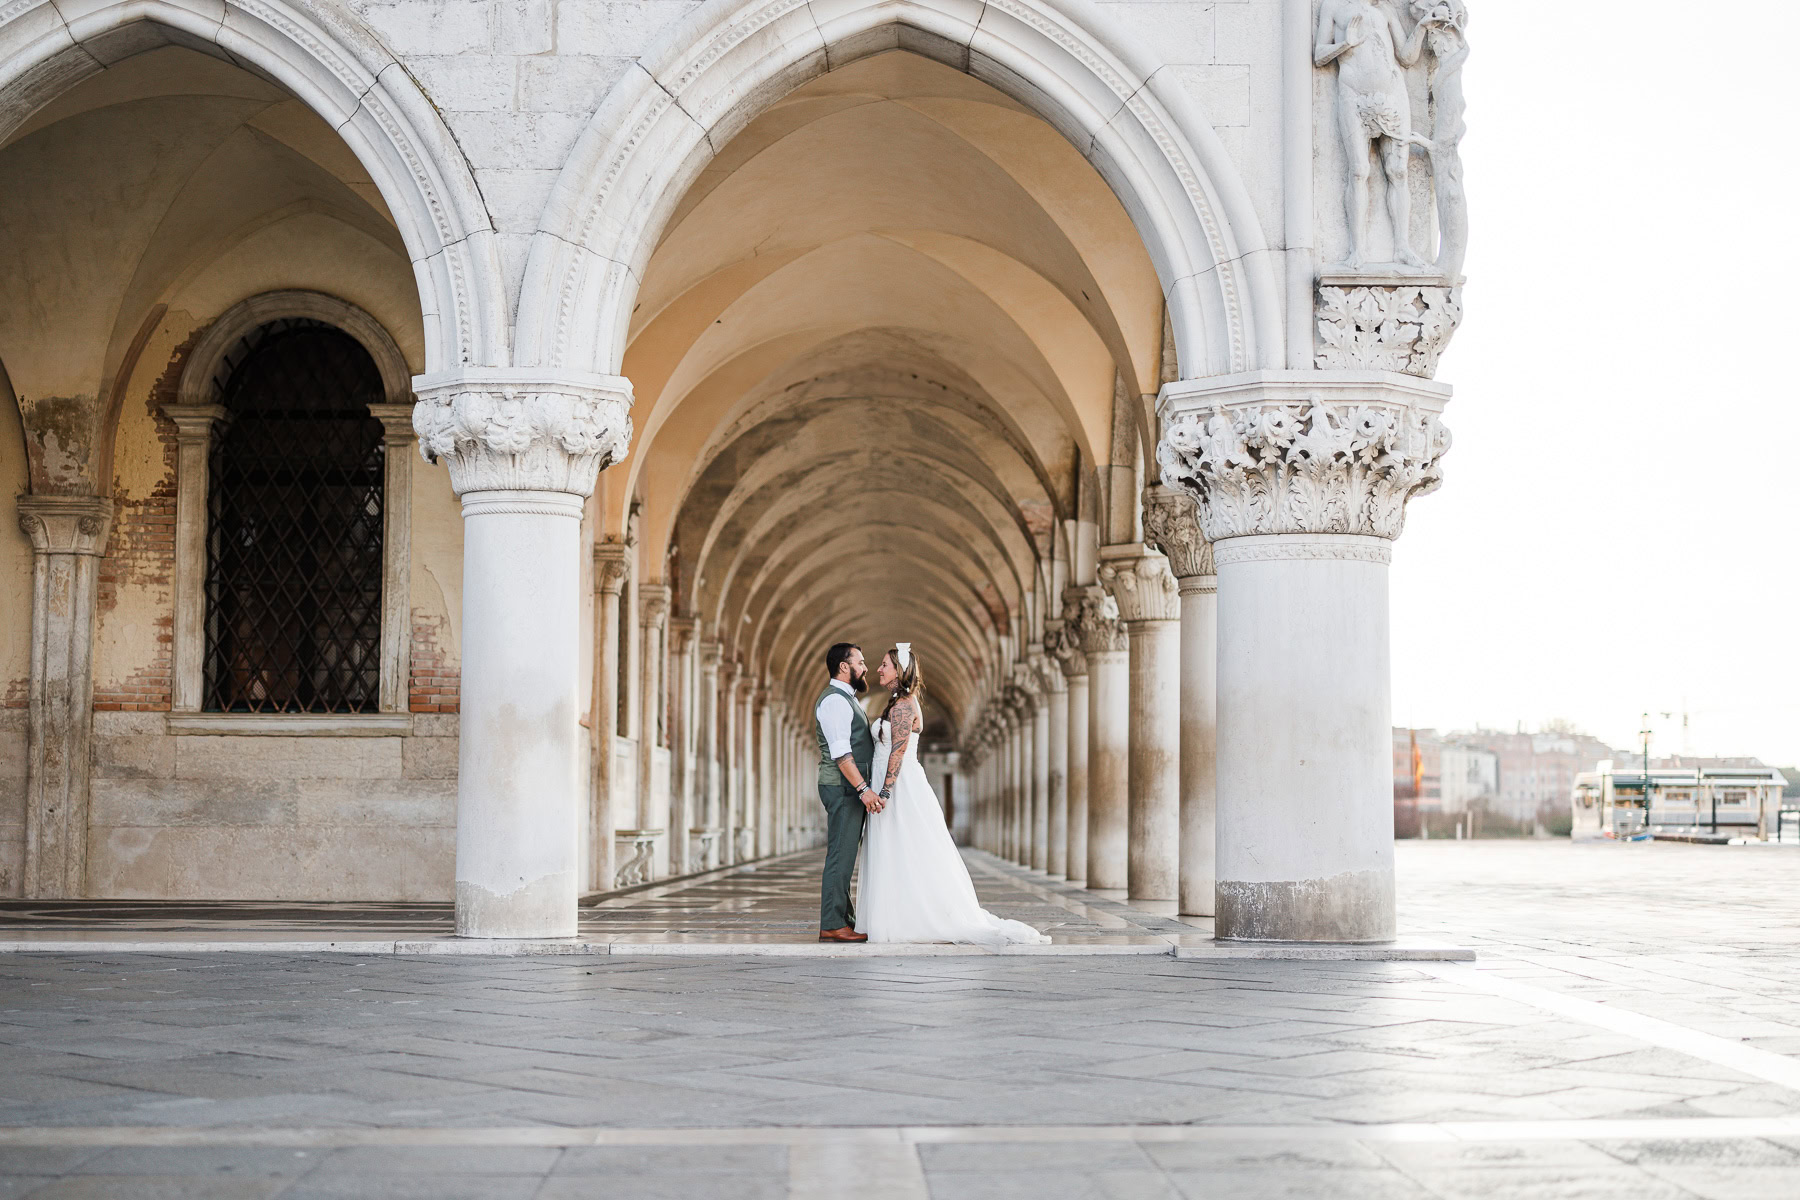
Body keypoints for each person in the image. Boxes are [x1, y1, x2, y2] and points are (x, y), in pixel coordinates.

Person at [858, 644, 1047, 947]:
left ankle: (912, 917)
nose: (879, 669)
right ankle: (894, 915)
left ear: (900, 670)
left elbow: (898, 751)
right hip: (891, 783)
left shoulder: (905, 705)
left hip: (901, 787)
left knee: (905, 846)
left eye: (884, 665)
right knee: (892, 849)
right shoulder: (895, 702)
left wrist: (885, 791)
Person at [813, 642, 879, 942]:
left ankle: (843, 919)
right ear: (844, 666)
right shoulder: (835, 701)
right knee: (841, 854)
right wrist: (863, 789)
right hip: (843, 788)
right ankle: (832, 922)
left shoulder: (846, 700)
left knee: (846, 853)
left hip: (847, 788)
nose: (865, 667)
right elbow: (842, 754)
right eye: (861, 662)